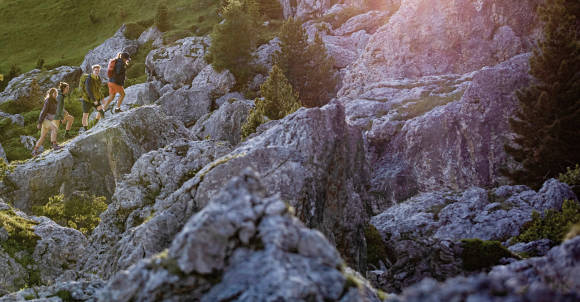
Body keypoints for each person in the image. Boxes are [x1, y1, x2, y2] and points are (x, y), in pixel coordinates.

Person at [31, 88, 61, 156]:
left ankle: (34, 151)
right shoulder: (48, 101)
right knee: (54, 128)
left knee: (42, 137)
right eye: (55, 93)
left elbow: (55, 111)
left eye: (57, 93)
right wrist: (39, 123)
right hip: (45, 119)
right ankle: (54, 145)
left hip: (48, 120)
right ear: (51, 94)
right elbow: (43, 112)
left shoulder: (54, 101)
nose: (56, 94)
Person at [80, 64, 106, 132]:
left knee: (101, 110)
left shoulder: (98, 78)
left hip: (95, 99)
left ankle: (97, 124)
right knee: (85, 115)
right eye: (96, 70)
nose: (97, 72)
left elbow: (99, 90)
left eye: (98, 71)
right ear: (93, 70)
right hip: (87, 100)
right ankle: (85, 129)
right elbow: (88, 90)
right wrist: (94, 100)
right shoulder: (89, 79)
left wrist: (102, 98)